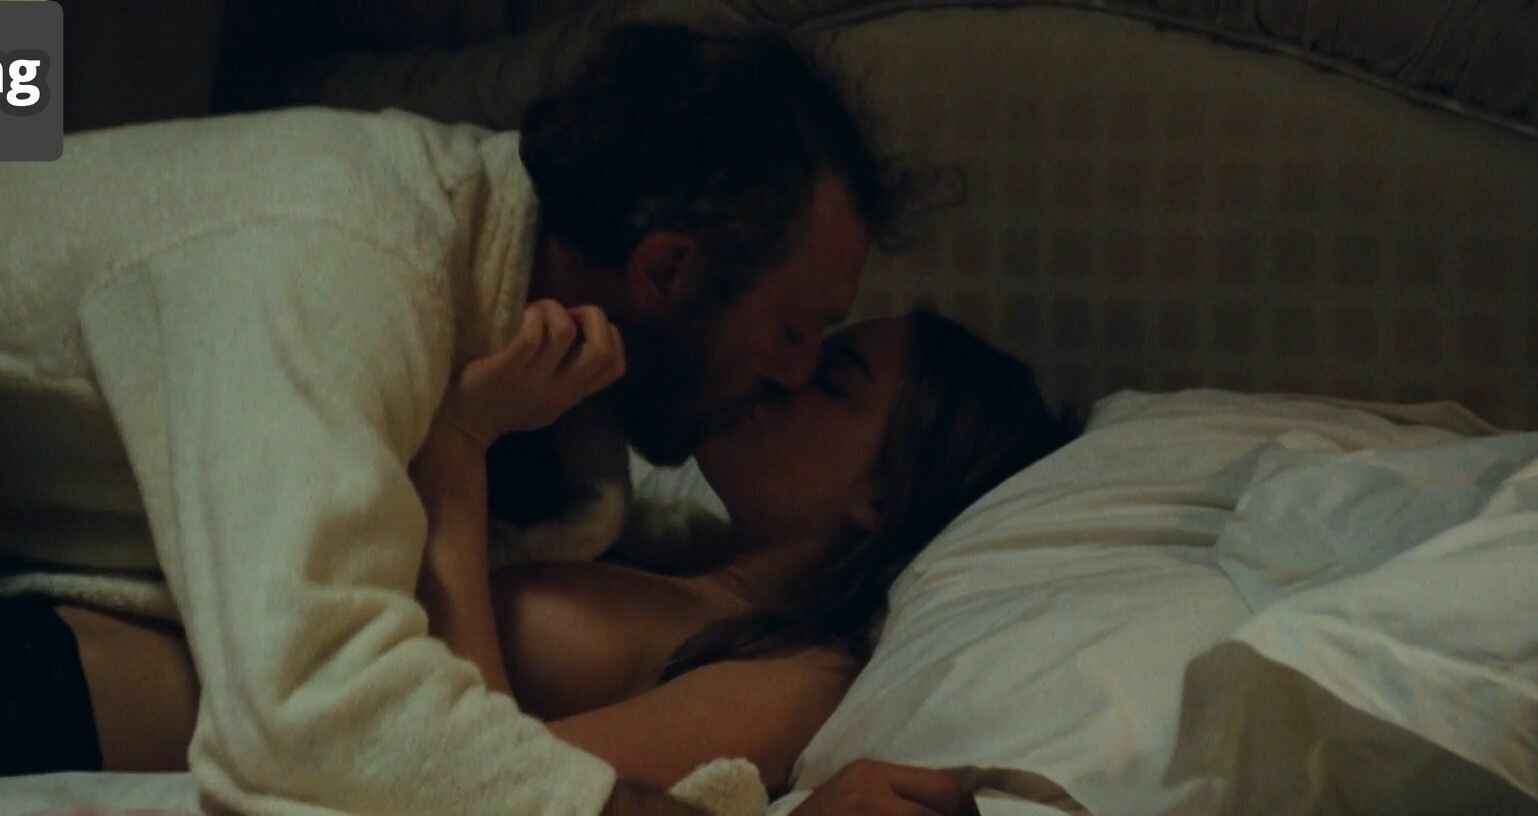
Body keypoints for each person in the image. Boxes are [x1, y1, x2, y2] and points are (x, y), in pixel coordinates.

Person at [0, 19, 985, 816]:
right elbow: (318, 705)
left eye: (826, 362)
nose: (788, 374)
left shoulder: (579, 450)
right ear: (664, 271)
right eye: (796, 332)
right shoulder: (351, 253)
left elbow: (399, 703)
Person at [411, 307, 1075, 797]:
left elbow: (503, 791)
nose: (785, 373)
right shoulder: (669, 551)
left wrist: (457, 451)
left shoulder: (791, 676)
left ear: (883, 498)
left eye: (831, 380)